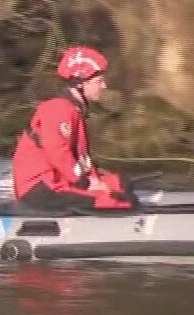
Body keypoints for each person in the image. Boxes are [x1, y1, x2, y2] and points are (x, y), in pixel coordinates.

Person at [11, 45, 135, 214]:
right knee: (114, 201)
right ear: (80, 84)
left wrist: (94, 179)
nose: (104, 86)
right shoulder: (57, 109)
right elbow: (58, 153)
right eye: (99, 81)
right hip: (42, 188)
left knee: (121, 182)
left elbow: (81, 157)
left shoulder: (73, 111)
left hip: (58, 181)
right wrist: (88, 184)